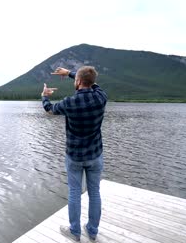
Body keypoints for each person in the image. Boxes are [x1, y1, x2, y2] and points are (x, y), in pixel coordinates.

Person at [41, 66, 107, 242]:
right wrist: (71, 73)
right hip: (95, 155)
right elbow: (93, 83)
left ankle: (75, 231)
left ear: (78, 82)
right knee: (94, 192)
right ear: (92, 82)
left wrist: (44, 96)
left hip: (75, 157)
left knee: (74, 192)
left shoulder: (69, 102)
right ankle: (92, 231)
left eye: (76, 79)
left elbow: (49, 110)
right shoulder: (101, 97)